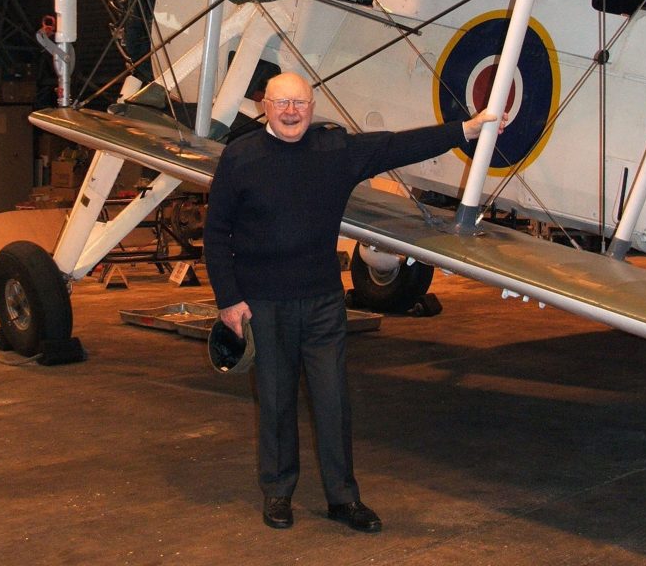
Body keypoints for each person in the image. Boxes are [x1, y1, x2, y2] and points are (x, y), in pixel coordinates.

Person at [203, 71, 503, 533]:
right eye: (281, 103)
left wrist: (466, 129)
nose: (290, 112)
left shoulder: (333, 151)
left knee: (333, 401)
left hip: (323, 302)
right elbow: (216, 232)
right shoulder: (240, 157)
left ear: (312, 104)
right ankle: (278, 494)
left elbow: (396, 147)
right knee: (276, 403)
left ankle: (343, 499)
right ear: (265, 105)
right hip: (264, 302)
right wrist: (229, 300)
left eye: (299, 104)